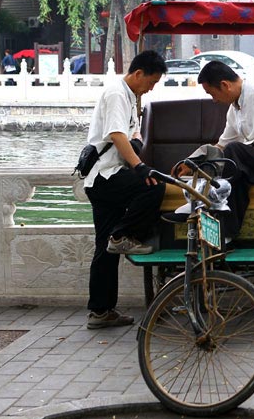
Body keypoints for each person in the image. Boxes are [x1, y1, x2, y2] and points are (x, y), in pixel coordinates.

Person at [82, 50, 167, 329]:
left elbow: (130, 134)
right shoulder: (117, 94)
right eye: (151, 82)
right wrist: (140, 167)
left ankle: (100, 311)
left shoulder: (129, 97)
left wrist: (137, 144)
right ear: (138, 73)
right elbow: (117, 135)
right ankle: (124, 234)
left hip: (103, 179)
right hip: (107, 175)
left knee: (104, 249)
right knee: (153, 187)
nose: (151, 88)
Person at [167, 60, 254, 239]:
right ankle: (226, 234)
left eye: (212, 94)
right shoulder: (233, 110)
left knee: (235, 151)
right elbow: (220, 146)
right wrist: (192, 163)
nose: (214, 100)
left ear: (224, 85)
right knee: (234, 166)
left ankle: (200, 202)